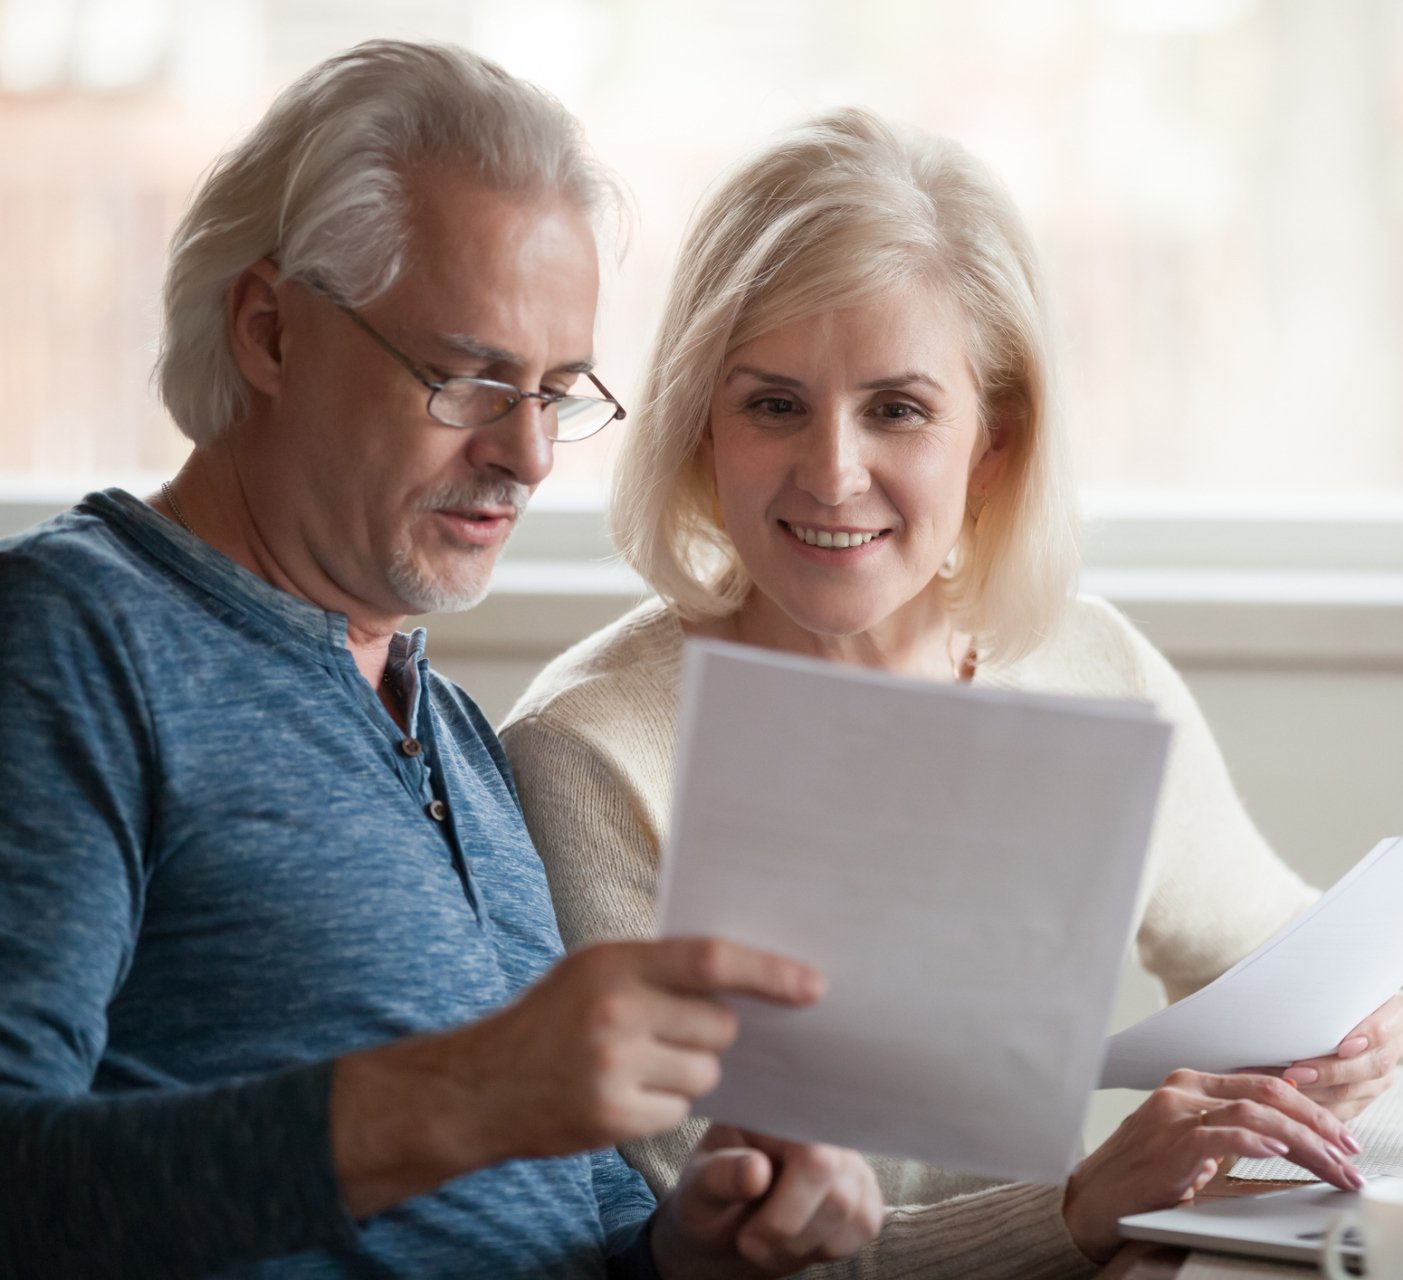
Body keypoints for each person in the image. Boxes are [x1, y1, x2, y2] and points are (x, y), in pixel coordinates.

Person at [0, 42, 883, 1279]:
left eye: (558, 390)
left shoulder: (455, 728)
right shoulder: (71, 640)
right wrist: (460, 1093)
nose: (528, 455)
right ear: (269, 329)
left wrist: (694, 1244)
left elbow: (560, 1236)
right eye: (471, 378)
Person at [500, 108, 1403, 1276]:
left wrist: (1348, 1026)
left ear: (995, 441)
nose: (833, 471)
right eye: (773, 403)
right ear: (698, 429)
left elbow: (1270, 952)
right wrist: (1079, 1211)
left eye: (898, 408)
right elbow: (709, 1248)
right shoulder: (590, 751)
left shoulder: (1088, 667)